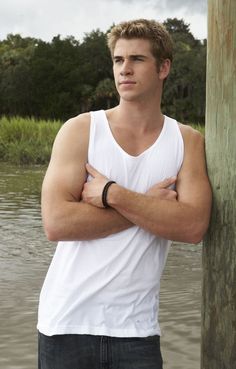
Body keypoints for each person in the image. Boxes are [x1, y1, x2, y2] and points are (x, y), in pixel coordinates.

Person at [37, 19, 212, 369]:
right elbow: (56, 222)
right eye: (118, 60)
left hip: (137, 331)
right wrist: (149, 206)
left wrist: (112, 194)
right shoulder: (81, 130)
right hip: (66, 323)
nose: (125, 69)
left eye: (137, 59)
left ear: (164, 67)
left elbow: (193, 227)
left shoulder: (187, 142)